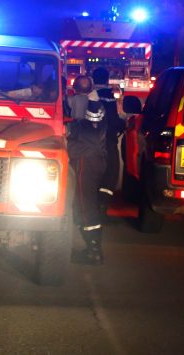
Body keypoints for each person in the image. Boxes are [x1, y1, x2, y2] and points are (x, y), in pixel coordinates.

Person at [67, 74, 108, 264]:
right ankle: (93, 247)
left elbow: (87, 124)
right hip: (93, 157)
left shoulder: (86, 103)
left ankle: (93, 251)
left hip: (85, 157)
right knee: (86, 201)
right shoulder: (94, 102)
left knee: (85, 203)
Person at [91, 67, 124, 214]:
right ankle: (103, 201)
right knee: (112, 169)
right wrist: (122, 125)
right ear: (107, 80)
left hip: (89, 141)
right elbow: (112, 118)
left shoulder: (90, 95)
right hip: (108, 140)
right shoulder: (109, 96)